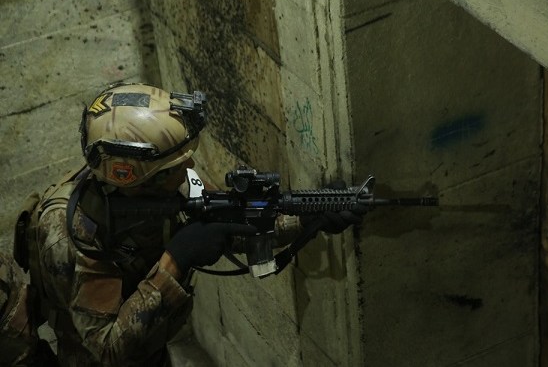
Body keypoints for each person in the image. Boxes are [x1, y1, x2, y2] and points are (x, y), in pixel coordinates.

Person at [10, 83, 364, 366]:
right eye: (175, 167)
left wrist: (310, 217)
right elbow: (107, 350)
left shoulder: (166, 184)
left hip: (153, 349)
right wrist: (175, 261)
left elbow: (230, 221)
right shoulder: (72, 232)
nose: (189, 167)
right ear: (135, 177)